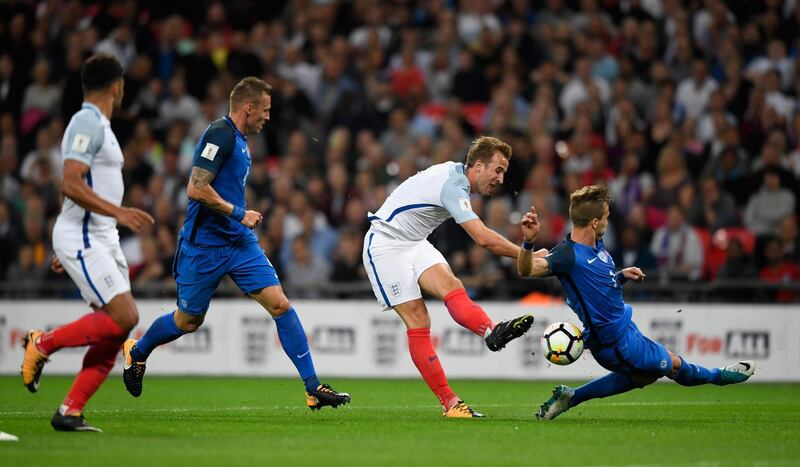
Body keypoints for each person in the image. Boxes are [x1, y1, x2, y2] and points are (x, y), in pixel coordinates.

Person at [122, 77, 350, 410]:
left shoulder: (242, 140)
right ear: (249, 108)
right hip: (204, 246)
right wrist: (238, 212)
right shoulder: (220, 134)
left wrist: (238, 220)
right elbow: (196, 188)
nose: (268, 117)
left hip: (238, 242)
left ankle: (312, 387)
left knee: (280, 304)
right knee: (188, 320)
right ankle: (137, 351)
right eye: (266, 110)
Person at [517, 185, 755, 421]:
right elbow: (527, 269)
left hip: (625, 331)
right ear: (594, 222)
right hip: (614, 344)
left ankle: (572, 397)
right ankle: (720, 376)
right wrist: (529, 243)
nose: (608, 223)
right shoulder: (566, 255)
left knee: (643, 377)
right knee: (671, 365)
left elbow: (599, 289)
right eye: (607, 218)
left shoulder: (598, 248)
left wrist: (621, 276)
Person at [362, 135, 544, 418]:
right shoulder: (454, 185)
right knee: (419, 319)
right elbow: (482, 239)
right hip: (386, 244)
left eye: (504, 172)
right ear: (478, 166)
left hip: (414, 241)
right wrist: (527, 253)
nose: (501, 178)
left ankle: (490, 331)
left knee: (451, 285)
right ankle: (450, 403)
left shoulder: (455, 175)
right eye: (497, 170)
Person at [20, 53, 155, 432]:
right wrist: (117, 212)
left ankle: (70, 410)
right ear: (116, 86)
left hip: (97, 238)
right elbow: (70, 181)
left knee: (117, 328)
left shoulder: (102, 126)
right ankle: (42, 343)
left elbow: (84, 183)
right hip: (86, 236)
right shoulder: (86, 121)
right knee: (126, 316)